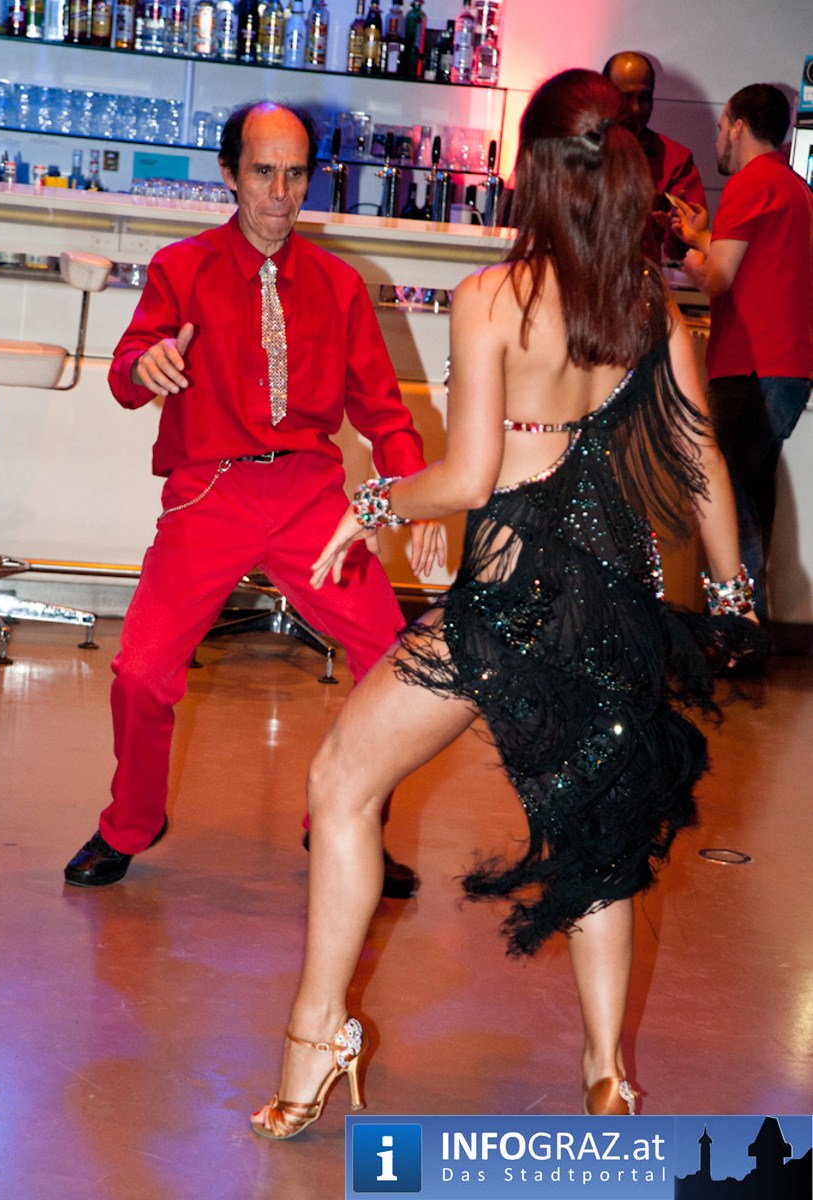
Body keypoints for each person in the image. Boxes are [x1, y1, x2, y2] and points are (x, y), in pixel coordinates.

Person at [250, 68, 765, 1138]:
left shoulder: (492, 299)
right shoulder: (647, 307)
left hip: (505, 606)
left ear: (529, 171)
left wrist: (371, 502)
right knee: (595, 843)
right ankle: (606, 1078)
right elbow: (700, 458)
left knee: (341, 783)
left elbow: (469, 477)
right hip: (609, 608)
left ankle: (315, 1039)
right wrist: (731, 599)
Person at [63, 101, 444, 898]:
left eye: (295, 174)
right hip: (211, 489)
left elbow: (383, 413)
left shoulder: (340, 285)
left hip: (308, 493)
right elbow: (127, 370)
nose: (279, 192)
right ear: (229, 175)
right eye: (263, 172)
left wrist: (413, 499)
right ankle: (129, 823)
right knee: (140, 672)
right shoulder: (182, 269)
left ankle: (344, 818)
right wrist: (144, 366)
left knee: (395, 662)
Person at [670, 83, 813, 620]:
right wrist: (702, 238)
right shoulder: (793, 187)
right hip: (788, 365)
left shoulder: (749, 183)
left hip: (749, 365)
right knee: (753, 500)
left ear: (737, 126)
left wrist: (692, 264)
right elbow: (755, 263)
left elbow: (720, 278)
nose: (717, 140)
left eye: (720, 127)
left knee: (732, 505)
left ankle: (738, 632)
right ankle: (750, 626)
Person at [603, 50, 708, 262]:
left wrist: (678, 233)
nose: (635, 109)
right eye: (626, 98)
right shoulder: (575, 149)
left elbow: (684, 251)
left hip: (640, 277)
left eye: (644, 98)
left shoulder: (675, 158)